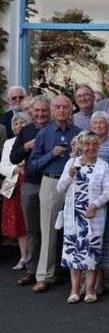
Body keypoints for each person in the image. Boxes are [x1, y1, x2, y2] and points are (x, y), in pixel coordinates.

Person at [26, 95, 82, 292]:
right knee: (49, 230)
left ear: (70, 110)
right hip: (50, 182)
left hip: (74, 184)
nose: (61, 110)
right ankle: (44, 275)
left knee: (76, 230)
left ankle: (78, 276)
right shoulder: (44, 133)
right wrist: (51, 154)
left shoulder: (79, 133)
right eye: (57, 107)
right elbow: (32, 165)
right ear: (51, 110)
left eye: (65, 107)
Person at [57, 132, 109, 304]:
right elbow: (60, 188)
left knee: (91, 253)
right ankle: (74, 290)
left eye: (94, 144)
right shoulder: (71, 163)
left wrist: (95, 205)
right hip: (73, 215)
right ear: (80, 146)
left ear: (98, 146)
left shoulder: (103, 165)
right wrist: (69, 174)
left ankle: (90, 289)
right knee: (73, 252)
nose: (90, 148)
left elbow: (108, 191)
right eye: (86, 145)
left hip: (93, 215)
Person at [11, 96, 50, 287]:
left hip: (52, 183)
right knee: (33, 229)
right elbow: (13, 157)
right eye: (38, 111)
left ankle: (52, 270)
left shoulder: (54, 129)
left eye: (44, 111)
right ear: (32, 112)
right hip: (31, 184)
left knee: (51, 229)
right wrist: (27, 146)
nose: (41, 114)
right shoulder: (26, 130)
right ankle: (32, 270)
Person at [2, 112, 31, 272]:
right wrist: (16, 168)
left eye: (23, 122)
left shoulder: (33, 140)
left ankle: (32, 257)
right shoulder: (9, 143)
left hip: (30, 182)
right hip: (13, 185)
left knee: (31, 223)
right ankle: (23, 257)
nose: (20, 125)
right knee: (19, 224)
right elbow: (2, 166)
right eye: (17, 123)